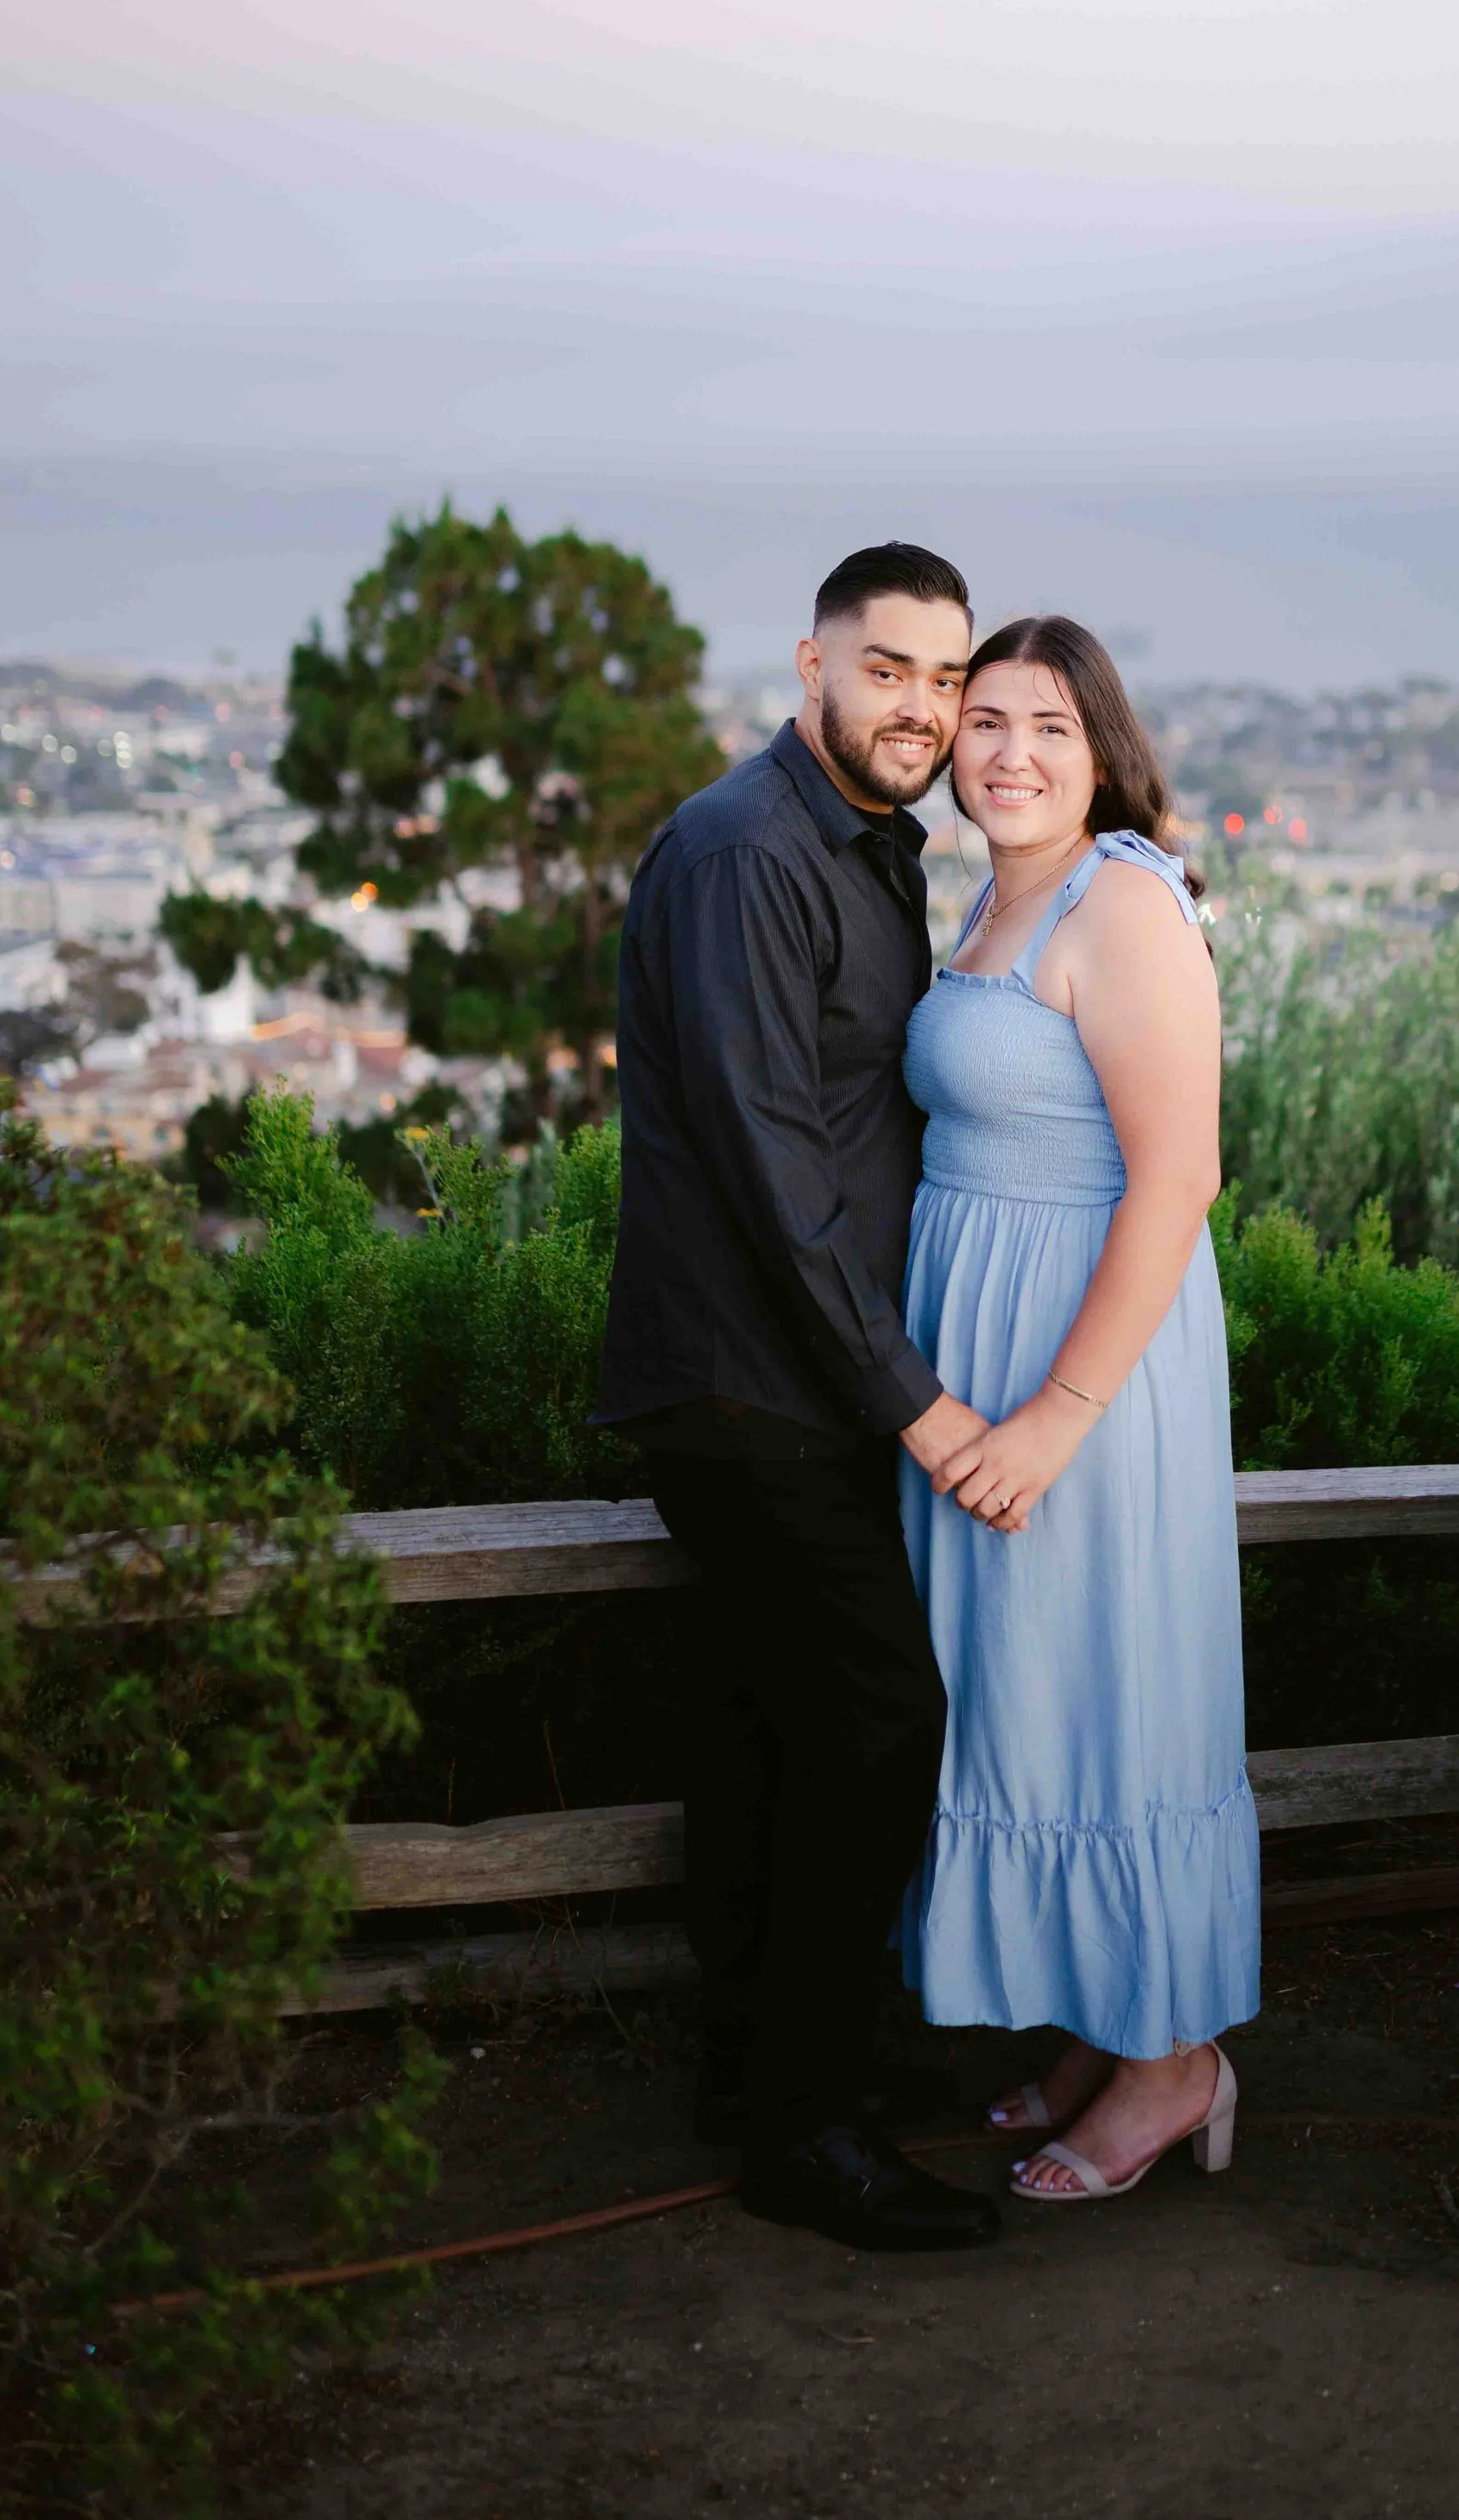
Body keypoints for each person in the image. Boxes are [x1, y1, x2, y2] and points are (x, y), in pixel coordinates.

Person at [595, 540, 999, 2254]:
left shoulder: (858, 847)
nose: (915, 704)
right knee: (875, 1720)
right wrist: (911, 1400)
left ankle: (763, 2071)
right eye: (884, 667)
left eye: (940, 679)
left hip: (791, 1384)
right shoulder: (746, 848)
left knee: (767, 1731)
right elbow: (772, 1169)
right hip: (751, 1385)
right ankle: (806, 2132)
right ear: (810, 665)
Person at [898, 616, 1262, 2201]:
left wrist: (1056, 1411)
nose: (1010, 751)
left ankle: (1178, 2062)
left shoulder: (1125, 903)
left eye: (1048, 722)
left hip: (1088, 1367)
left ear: (1103, 744)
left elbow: (1179, 1176)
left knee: (1110, 1680)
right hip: (977, 1338)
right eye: (985, 721)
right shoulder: (993, 894)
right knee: (1023, 1689)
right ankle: (1101, 2020)